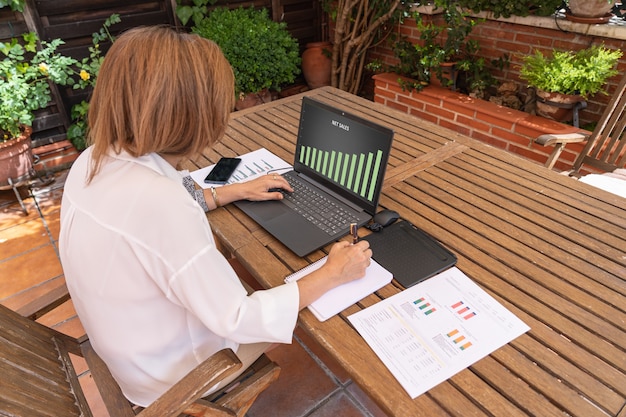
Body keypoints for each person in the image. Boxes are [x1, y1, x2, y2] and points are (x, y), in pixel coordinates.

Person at [58, 25, 372, 407]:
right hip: (177, 378)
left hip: (133, 350)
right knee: (302, 299)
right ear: (192, 115)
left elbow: (150, 226)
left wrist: (234, 191)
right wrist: (331, 273)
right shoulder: (161, 204)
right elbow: (238, 318)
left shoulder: (92, 159)